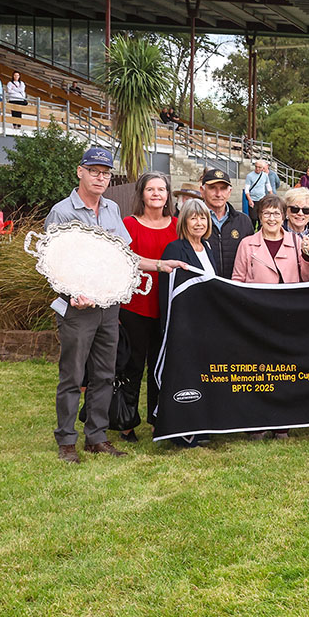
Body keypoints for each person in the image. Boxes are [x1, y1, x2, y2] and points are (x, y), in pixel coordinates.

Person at [45, 147, 185, 462]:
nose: (100, 177)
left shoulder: (111, 209)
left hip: (109, 306)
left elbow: (125, 256)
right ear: (80, 172)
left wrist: (159, 265)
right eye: (94, 171)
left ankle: (96, 437)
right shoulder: (62, 212)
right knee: (73, 376)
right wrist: (71, 293)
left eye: (105, 173)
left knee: (105, 374)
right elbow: (52, 263)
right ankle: (66, 441)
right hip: (77, 309)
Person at [232, 194, 309, 440]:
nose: (272, 218)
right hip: (256, 316)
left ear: (283, 216)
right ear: (259, 216)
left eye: (276, 213)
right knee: (258, 369)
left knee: (285, 369)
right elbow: (237, 280)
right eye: (266, 213)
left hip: (288, 315)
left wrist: (307, 256)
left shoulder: (297, 241)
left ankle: (282, 423)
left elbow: (308, 277)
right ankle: (257, 422)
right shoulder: (247, 244)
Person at [118, 172, 179, 442]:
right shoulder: (129, 224)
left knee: (161, 366)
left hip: (167, 307)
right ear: (141, 194)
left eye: (161, 189)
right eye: (150, 189)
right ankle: (126, 421)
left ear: (168, 195)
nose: (156, 194)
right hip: (135, 306)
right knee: (132, 365)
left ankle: (158, 419)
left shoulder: (177, 225)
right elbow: (123, 259)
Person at [159, 198, 219, 448]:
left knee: (203, 375)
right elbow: (168, 291)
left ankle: (203, 424)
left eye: (202, 217)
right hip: (184, 324)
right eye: (193, 217)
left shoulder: (208, 248)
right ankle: (184, 431)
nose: (198, 222)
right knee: (185, 376)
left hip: (208, 324)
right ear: (184, 221)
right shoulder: (174, 249)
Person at [199, 167, 252, 278]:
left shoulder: (243, 221)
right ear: (202, 191)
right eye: (212, 188)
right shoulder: (191, 222)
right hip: (204, 285)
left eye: (223, 188)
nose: (218, 194)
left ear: (229, 192)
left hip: (235, 285)